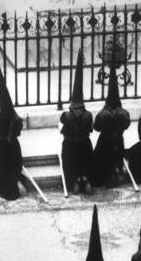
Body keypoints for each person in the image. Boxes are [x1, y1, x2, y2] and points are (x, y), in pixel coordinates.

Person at [59, 52, 94, 194]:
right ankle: (86, 179)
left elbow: (63, 123)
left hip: (70, 146)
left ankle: (73, 182)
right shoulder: (88, 115)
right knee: (87, 160)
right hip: (85, 145)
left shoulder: (66, 116)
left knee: (69, 162)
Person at [89, 71, 130, 187]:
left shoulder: (102, 114)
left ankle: (108, 175)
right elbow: (127, 125)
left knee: (100, 159)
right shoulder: (124, 113)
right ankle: (117, 170)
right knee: (117, 155)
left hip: (105, 144)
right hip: (119, 142)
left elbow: (96, 128)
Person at [0, 63, 24, 201]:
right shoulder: (15, 118)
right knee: (15, 165)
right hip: (13, 147)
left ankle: (4, 184)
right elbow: (18, 131)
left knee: (1, 167)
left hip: (1, 147)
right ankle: (15, 181)